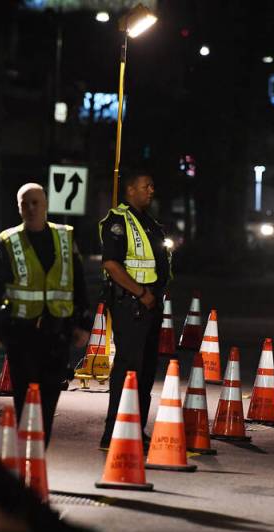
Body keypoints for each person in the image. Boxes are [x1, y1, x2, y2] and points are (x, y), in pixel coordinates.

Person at [0, 182, 92, 447]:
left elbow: (79, 283)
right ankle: (25, 448)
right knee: (24, 395)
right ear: (19, 208)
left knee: (50, 393)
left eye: (36, 203)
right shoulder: (9, 240)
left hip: (57, 333)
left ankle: (39, 449)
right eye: (25, 203)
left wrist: (84, 324)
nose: (31, 208)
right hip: (21, 332)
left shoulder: (65, 237)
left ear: (45, 206)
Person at [98, 169, 172, 450]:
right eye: (146, 186)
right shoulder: (118, 221)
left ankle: (134, 428)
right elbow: (111, 264)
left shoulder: (149, 222)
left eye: (152, 186)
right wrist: (141, 293)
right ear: (131, 190)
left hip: (150, 304)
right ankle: (113, 431)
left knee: (146, 369)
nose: (151, 191)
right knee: (128, 368)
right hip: (132, 305)